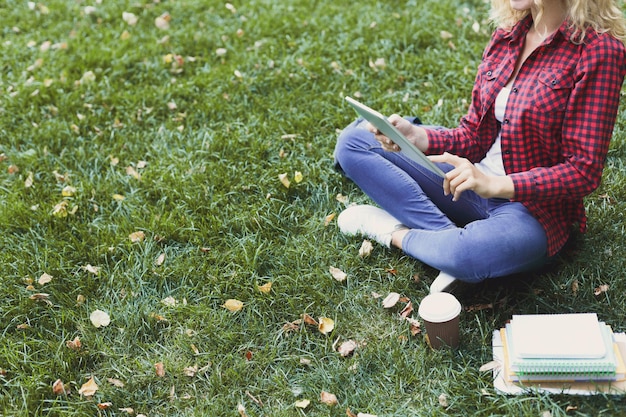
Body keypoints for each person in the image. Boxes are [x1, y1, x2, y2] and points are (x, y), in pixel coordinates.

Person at [333, 0, 626, 293]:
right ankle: (445, 242)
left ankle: (393, 232)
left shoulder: (599, 51)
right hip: (468, 176)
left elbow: (582, 172)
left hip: (532, 211)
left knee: (467, 254)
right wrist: (417, 137)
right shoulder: (508, 35)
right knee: (354, 142)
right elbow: (474, 136)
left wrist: (496, 184)